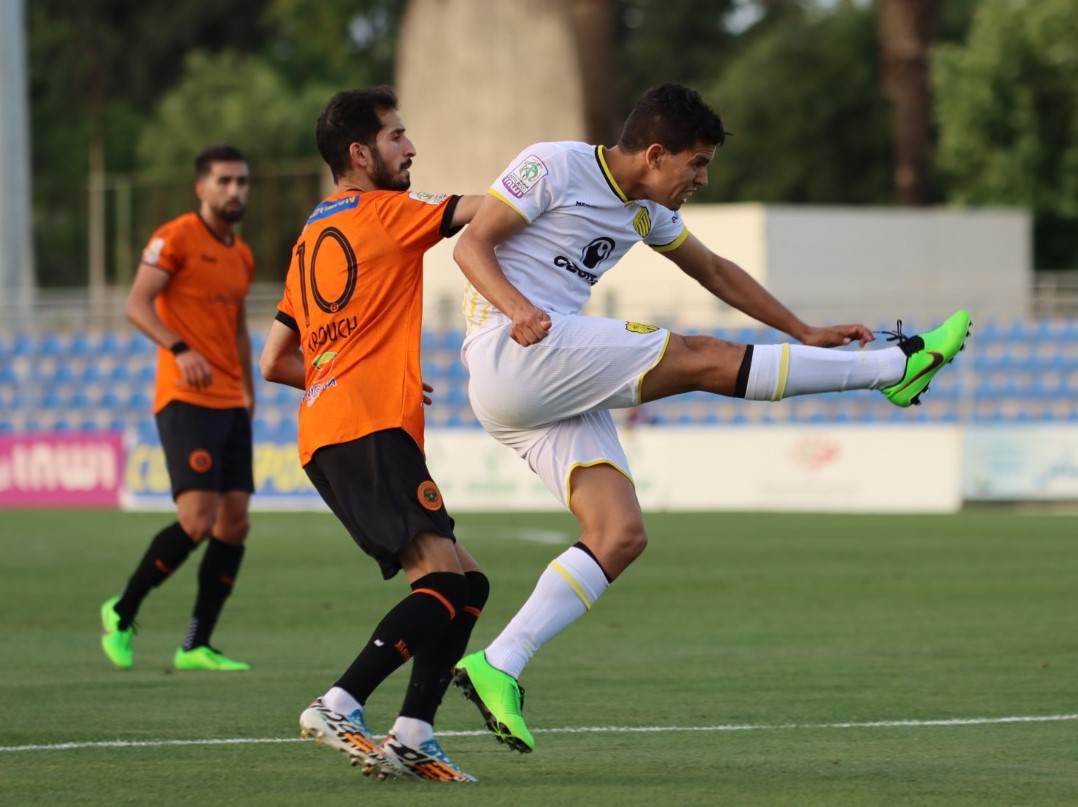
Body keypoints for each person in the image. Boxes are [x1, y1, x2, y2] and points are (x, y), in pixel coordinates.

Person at [450, 83, 971, 753]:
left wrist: (801, 328)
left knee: (619, 533)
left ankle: (499, 662)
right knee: (699, 355)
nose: (702, 177)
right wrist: (518, 309)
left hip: (543, 378)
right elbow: (472, 246)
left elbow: (716, 271)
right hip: (513, 349)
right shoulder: (553, 164)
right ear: (657, 152)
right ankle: (897, 368)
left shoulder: (646, 207)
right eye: (696, 164)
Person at [259, 86, 485, 783]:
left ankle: (414, 731)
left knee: (465, 581)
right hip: (367, 425)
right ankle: (340, 701)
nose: (411, 148)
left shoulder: (308, 238)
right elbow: (486, 211)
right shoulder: (387, 213)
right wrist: (562, 176)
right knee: (443, 584)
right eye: (397, 136)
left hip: (333, 425)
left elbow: (274, 360)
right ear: (360, 153)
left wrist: (355, 370)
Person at [100, 144, 257, 673]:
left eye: (242, 181)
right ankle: (122, 612)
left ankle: (195, 645)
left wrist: (248, 389)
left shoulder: (242, 253)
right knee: (196, 521)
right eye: (225, 181)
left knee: (234, 524)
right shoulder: (174, 238)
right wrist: (179, 348)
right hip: (185, 399)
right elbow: (136, 304)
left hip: (230, 399)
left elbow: (235, 326)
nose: (235, 190)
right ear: (202, 188)